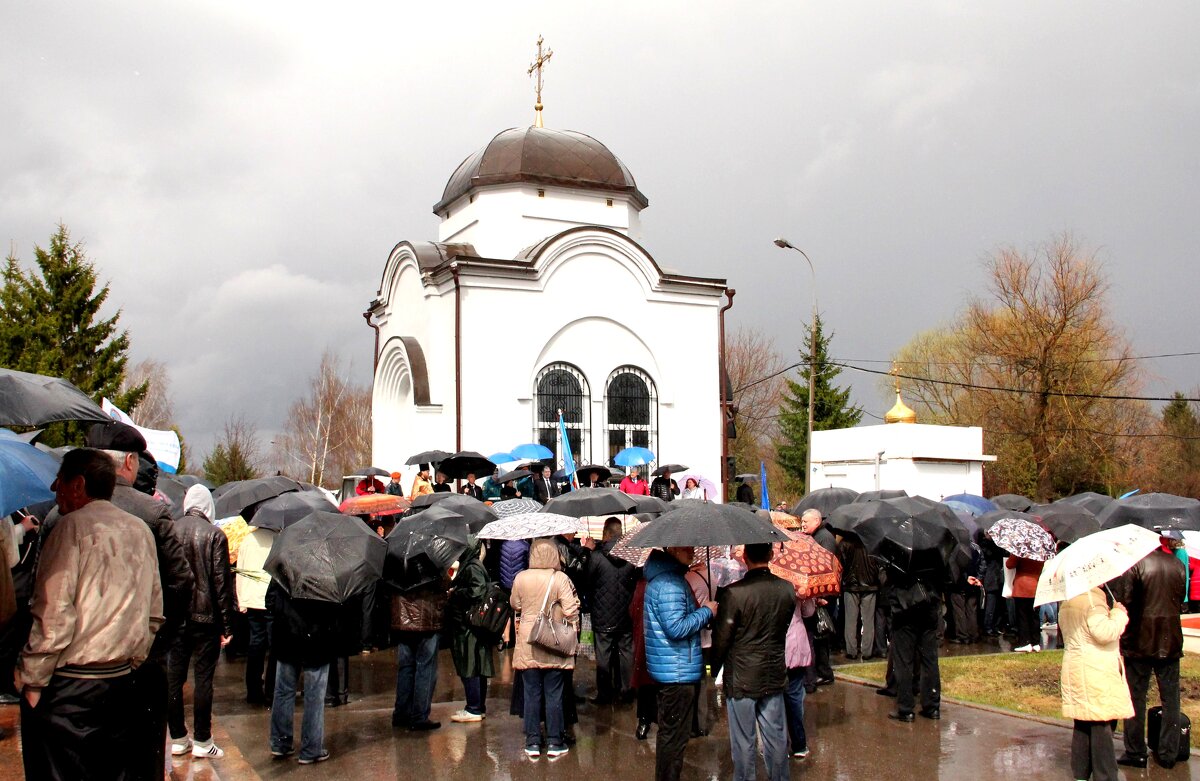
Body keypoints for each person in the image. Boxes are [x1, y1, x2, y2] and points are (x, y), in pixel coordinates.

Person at [17, 448, 163, 780]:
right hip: (122, 683)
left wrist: (34, 681)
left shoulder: (69, 529)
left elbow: (52, 615)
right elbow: (154, 613)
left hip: (73, 690)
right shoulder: (140, 530)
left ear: (78, 484)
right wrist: (132, 659)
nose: (55, 490)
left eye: (61, 482)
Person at [86, 422, 193, 781]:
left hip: (78, 668)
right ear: (129, 463)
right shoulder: (151, 512)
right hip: (139, 662)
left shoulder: (61, 512)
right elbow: (180, 582)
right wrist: (158, 639)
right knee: (141, 762)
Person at [711, 543, 795, 781]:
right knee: (776, 738)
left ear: (745, 557)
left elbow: (722, 639)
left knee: (744, 742)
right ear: (770, 555)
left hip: (742, 677)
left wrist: (714, 667)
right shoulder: (786, 589)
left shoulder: (734, 593)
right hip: (772, 671)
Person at [168, 485, 237, 759]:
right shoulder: (215, 535)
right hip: (205, 618)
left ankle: (177, 737)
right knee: (203, 679)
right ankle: (202, 739)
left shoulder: (170, 529)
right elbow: (221, 584)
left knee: (174, 677)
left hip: (176, 616)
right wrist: (227, 626)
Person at [644, 547, 718, 781]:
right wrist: (707, 612)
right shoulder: (670, 585)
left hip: (672, 667)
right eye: (686, 547)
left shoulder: (668, 579)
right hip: (677, 671)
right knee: (674, 738)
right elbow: (676, 628)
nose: (692, 551)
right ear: (673, 549)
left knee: (671, 736)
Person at [1113, 536, 1187, 769]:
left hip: (1140, 640)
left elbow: (1123, 601)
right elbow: (1180, 601)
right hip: (1170, 638)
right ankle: (1168, 752)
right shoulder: (1177, 564)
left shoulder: (1134, 565)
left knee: (1136, 696)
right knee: (1170, 698)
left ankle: (1135, 751)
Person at [510, 538, 580, 760]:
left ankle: (532, 742)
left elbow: (515, 604)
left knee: (531, 693)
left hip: (529, 641)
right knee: (554, 693)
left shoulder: (521, 577)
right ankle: (554, 742)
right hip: (553, 640)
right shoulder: (560, 578)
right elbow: (571, 611)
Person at [1060, 584, 1132, 781]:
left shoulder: (1069, 601)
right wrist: (1118, 614)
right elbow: (1104, 633)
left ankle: (1081, 772)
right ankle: (1106, 775)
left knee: (1083, 722)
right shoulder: (1092, 602)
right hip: (1095, 669)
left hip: (1075, 666)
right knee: (1101, 724)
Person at [267, 580, 339, 764]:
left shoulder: (286, 559)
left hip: (286, 634)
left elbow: (270, 598)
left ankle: (280, 743)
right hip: (316, 636)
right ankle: (311, 749)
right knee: (314, 694)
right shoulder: (326, 567)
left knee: (283, 690)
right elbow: (335, 606)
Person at [583, 518, 638, 705]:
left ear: (605, 534)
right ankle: (627, 690)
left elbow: (587, 581)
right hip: (625, 612)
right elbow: (635, 580)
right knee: (626, 652)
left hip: (602, 614)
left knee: (603, 655)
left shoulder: (596, 557)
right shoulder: (630, 555)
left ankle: (605, 693)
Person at [447, 537, 495, 722]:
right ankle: (477, 706)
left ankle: (473, 707)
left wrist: (456, 592)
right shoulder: (474, 564)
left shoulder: (472, 566)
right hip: (473, 624)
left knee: (470, 666)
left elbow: (477, 591)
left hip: (468, 626)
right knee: (476, 666)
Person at [391, 577, 448, 730]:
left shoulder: (396, 558)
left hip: (402, 619)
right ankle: (419, 716)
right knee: (426, 668)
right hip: (425, 618)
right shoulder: (432, 559)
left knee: (406, 668)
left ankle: (401, 713)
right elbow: (442, 583)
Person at [886, 568, 942, 722]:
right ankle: (932, 706)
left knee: (904, 661)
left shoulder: (899, 552)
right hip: (928, 605)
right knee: (929, 659)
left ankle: (906, 708)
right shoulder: (934, 550)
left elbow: (891, 580)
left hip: (906, 607)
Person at [237, 523, 276, 706]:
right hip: (270, 598)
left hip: (252, 598)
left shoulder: (247, 540)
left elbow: (240, 570)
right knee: (274, 645)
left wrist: (241, 599)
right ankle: (271, 689)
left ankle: (253, 690)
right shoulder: (277, 538)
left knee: (256, 643)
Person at [798, 510, 836, 687]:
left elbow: (825, 567)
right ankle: (820, 671)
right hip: (818, 595)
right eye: (802, 522)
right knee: (818, 637)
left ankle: (824, 672)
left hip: (823, 596)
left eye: (805, 521)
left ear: (816, 521)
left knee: (821, 635)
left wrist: (822, 595)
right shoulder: (817, 536)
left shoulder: (824, 538)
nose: (803, 524)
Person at [784, 595, 816, 760]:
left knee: (775, 700)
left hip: (774, 646)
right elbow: (809, 612)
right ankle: (799, 745)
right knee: (795, 698)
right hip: (795, 644)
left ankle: (780, 746)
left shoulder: (766, 583)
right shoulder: (798, 583)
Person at [838, 534, 879, 659]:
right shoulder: (874, 540)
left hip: (851, 585)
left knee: (850, 620)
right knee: (868, 621)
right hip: (870, 585)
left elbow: (840, 564)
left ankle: (851, 651)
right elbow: (878, 562)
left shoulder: (845, 543)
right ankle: (867, 652)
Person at [1007, 554, 1045, 652]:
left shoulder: (1021, 551)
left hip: (1022, 586)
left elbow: (1009, 564)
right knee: (1035, 616)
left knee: (1022, 616)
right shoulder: (1040, 552)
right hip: (1036, 586)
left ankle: (1025, 642)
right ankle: (1036, 642)